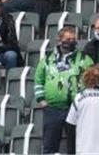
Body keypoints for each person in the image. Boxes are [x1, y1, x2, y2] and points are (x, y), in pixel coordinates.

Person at [34, 27, 94, 155]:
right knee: (49, 145)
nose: (71, 42)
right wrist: (41, 100)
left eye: (73, 39)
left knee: (76, 145)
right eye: (67, 39)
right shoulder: (47, 60)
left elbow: (92, 81)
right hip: (52, 109)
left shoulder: (84, 59)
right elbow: (38, 80)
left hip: (75, 108)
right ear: (59, 40)